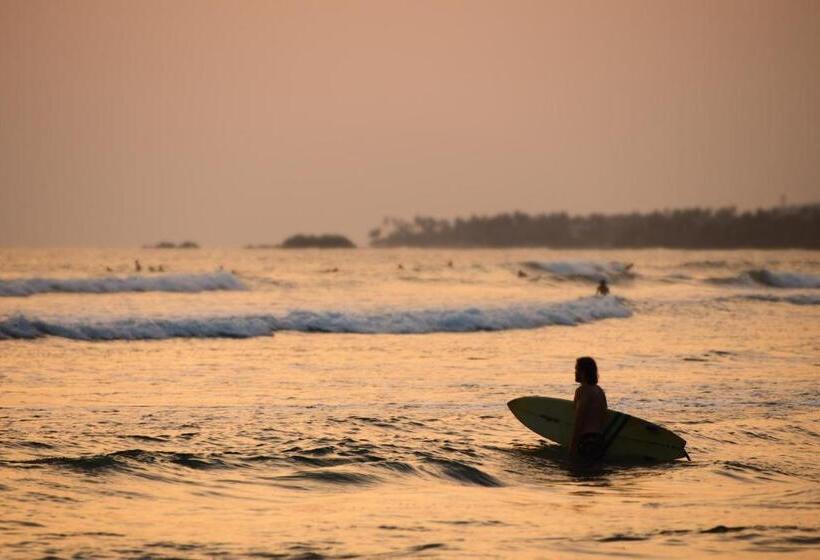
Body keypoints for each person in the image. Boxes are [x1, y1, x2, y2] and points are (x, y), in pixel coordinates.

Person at [570, 357, 608, 462]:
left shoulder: (582, 391)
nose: (575, 373)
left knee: (578, 473)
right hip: (599, 439)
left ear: (583, 372)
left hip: (586, 438)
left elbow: (579, 419)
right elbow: (604, 416)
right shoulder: (600, 391)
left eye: (576, 369)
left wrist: (572, 447)